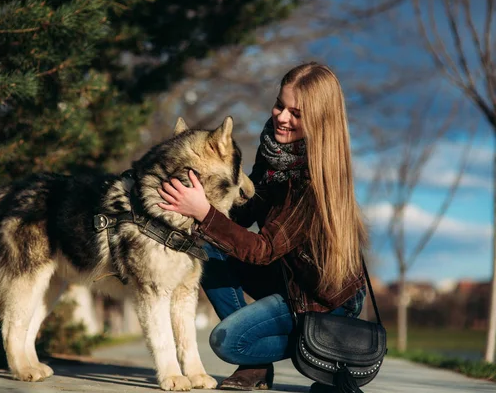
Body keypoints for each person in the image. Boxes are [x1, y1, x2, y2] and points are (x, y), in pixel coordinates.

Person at [158, 62, 368, 393]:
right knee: (209, 247)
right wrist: (202, 192)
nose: (282, 117)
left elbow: (263, 249)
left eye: (296, 113)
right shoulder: (274, 150)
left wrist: (204, 213)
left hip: (322, 299)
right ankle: (263, 362)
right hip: (286, 276)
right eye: (280, 105)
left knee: (228, 342)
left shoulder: (315, 179)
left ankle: (326, 349)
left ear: (320, 120)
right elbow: (243, 216)